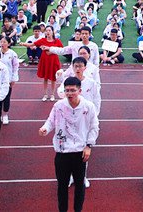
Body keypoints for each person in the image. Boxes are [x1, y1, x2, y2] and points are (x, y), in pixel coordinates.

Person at [39, 76, 99, 212]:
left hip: (80, 152)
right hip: (62, 152)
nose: (69, 94)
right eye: (67, 91)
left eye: (73, 90)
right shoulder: (59, 106)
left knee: (79, 185)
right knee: (62, 186)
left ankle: (78, 209)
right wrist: (45, 129)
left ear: (80, 90)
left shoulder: (88, 107)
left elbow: (94, 127)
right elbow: (50, 121)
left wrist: (89, 145)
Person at [57, 55, 101, 189]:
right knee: (68, 148)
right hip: (68, 119)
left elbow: (97, 100)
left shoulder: (91, 83)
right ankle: (70, 176)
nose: (78, 68)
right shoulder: (68, 81)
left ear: (85, 67)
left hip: (85, 119)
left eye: (80, 66)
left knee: (83, 149)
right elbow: (60, 92)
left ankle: (82, 176)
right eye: (75, 66)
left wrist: (95, 115)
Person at [27, 26, 63, 101]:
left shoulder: (57, 41)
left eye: (49, 30)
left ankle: (52, 94)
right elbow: (32, 44)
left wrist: (52, 51)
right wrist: (23, 44)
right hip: (45, 60)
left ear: (53, 32)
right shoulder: (42, 40)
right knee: (45, 78)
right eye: (46, 31)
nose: (48, 32)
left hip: (54, 61)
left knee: (53, 78)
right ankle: (45, 94)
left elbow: (62, 49)